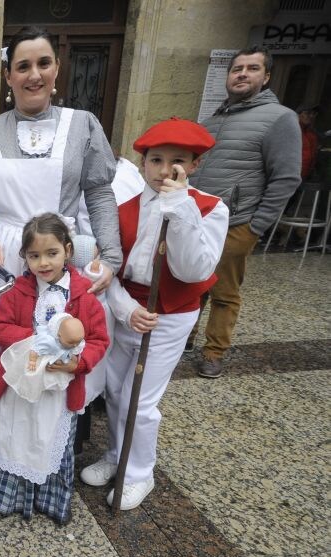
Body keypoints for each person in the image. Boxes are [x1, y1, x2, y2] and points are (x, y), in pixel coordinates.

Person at [0, 27, 121, 427]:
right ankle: (0, 431)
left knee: (60, 340)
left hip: (59, 255)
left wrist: (113, 255)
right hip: (7, 255)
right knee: (8, 341)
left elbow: (99, 193)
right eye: (23, 66)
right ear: (8, 76)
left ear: (57, 69)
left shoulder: (82, 125)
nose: (34, 75)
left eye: (43, 64)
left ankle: (55, 430)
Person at [80, 117, 229, 509]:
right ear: (142, 163)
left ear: (193, 165)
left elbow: (194, 270)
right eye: (156, 160)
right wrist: (125, 308)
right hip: (127, 308)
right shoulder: (122, 207)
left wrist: (179, 210)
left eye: (176, 161)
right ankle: (116, 454)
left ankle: (139, 473)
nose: (165, 170)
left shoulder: (211, 209)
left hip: (169, 314)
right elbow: (107, 268)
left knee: (139, 399)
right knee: (114, 389)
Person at [0, 213, 108, 524]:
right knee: (18, 436)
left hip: (59, 387)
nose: (43, 263)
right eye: (34, 255)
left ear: (67, 250)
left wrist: (78, 361)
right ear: (24, 257)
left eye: (51, 253)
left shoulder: (83, 297)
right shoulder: (18, 291)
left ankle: (50, 500)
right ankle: (9, 497)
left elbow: (98, 340)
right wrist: (37, 338)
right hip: (21, 387)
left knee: (50, 439)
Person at [188, 46, 301, 378]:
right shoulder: (213, 120)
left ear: (266, 77)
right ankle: (186, 337)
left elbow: (286, 177)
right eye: (237, 68)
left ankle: (214, 351)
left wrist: (257, 226)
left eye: (252, 69)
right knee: (194, 282)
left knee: (224, 290)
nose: (241, 74)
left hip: (237, 222)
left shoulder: (280, 118)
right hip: (201, 219)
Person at [297, 104, 320, 181]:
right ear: (298, 114)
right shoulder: (292, 130)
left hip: (304, 178)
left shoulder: (312, 134)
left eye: (313, 114)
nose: (311, 116)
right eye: (307, 113)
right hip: (287, 176)